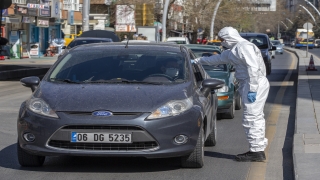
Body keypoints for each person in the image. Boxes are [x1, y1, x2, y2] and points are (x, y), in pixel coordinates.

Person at [195, 27, 270, 162]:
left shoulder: (244, 47)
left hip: (254, 83)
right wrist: (199, 61)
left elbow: (253, 68)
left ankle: (256, 151)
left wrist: (252, 89)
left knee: (252, 117)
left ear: (229, 38)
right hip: (248, 83)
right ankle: (257, 148)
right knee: (254, 116)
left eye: (223, 40)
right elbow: (216, 59)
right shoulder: (233, 51)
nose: (222, 43)